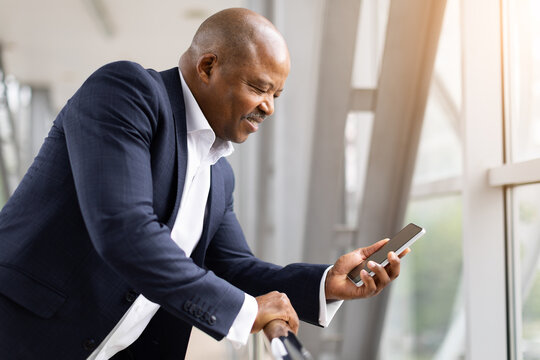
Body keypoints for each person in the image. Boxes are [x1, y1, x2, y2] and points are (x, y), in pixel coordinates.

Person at [0, 7, 406, 360]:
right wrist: (246, 314)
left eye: (277, 94)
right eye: (259, 88)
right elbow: (123, 230)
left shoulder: (218, 172)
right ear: (208, 67)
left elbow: (234, 269)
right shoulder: (127, 93)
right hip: (21, 336)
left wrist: (325, 283)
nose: (268, 107)